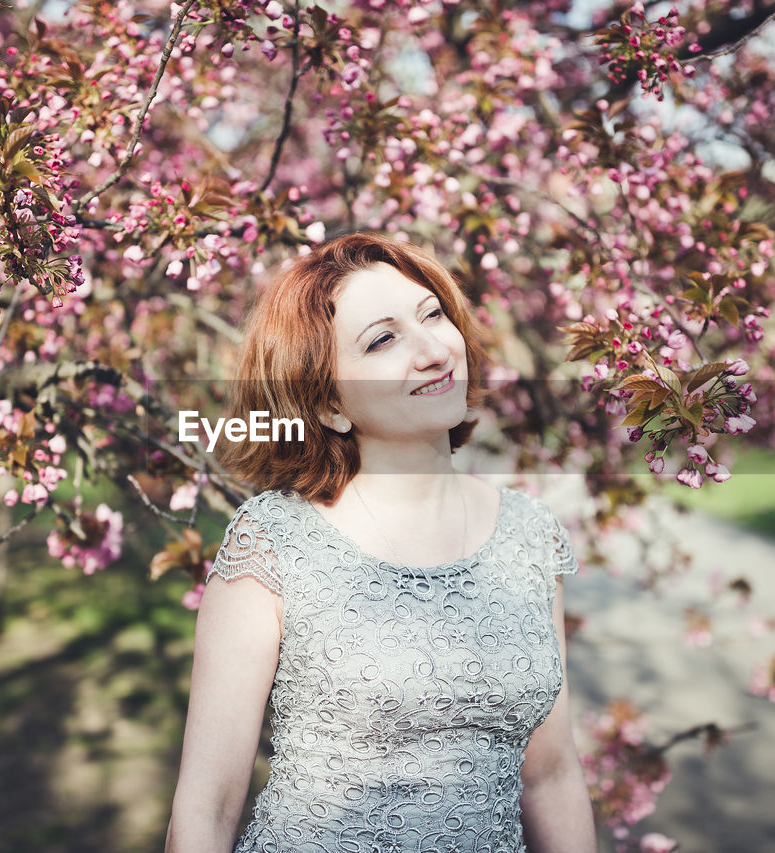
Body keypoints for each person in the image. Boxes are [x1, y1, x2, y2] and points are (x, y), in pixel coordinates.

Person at [165, 232, 595, 853]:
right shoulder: (275, 543)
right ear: (331, 403)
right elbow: (208, 808)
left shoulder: (529, 537)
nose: (431, 351)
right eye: (383, 339)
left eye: (432, 315)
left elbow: (551, 776)